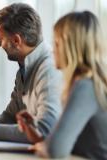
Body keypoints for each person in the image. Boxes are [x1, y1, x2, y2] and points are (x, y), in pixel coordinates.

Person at [17, 11, 107, 159]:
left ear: (72, 47)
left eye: (57, 43)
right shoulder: (89, 84)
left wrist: (47, 147)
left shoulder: (85, 87)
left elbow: (55, 151)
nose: (53, 50)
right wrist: (38, 137)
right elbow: (70, 146)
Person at [0, 3, 62, 143]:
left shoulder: (49, 70)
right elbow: (11, 115)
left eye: (1, 38)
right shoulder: (24, 68)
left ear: (16, 40)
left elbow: (44, 130)